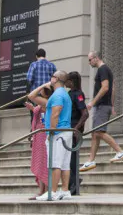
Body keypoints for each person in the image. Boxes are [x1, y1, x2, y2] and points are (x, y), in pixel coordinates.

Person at [79, 51, 123, 171]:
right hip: (104, 105)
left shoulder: (103, 69)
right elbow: (113, 87)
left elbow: (105, 88)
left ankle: (119, 151)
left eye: (90, 59)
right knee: (95, 134)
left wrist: (92, 102)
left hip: (101, 106)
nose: (89, 62)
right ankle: (91, 160)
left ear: (96, 58)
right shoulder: (106, 70)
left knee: (98, 132)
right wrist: (112, 105)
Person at [42, 70, 74, 201]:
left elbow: (56, 113)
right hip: (66, 131)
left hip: (58, 132)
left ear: (56, 79)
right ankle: (65, 190)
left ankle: (53, 191)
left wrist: (51, 131)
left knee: (55, 163)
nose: (50, 78)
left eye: (52, 76)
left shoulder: (57, 94)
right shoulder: (65, 93)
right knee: (65, 164)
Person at [25, 80, 54, 200]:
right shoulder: (43, 102)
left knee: (44, 162)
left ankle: (45, 190)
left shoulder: (47, 101)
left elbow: (31, 95)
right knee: (40, 162)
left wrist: (43, 85)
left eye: (43, 89)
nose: (40, 90)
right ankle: (42, 190)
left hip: (43, 134)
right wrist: (33, 109)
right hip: (38, 134)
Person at [65, 71, 89, 196]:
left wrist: (76, 128)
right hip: (68, 129)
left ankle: (75, 183)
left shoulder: (78, 94)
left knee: (73, 159)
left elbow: (85, 114)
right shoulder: (69, 93)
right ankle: (72, 183)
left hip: (74, 130)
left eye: (67, 80)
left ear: (71, 81)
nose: (65, 82)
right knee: (68, 159)